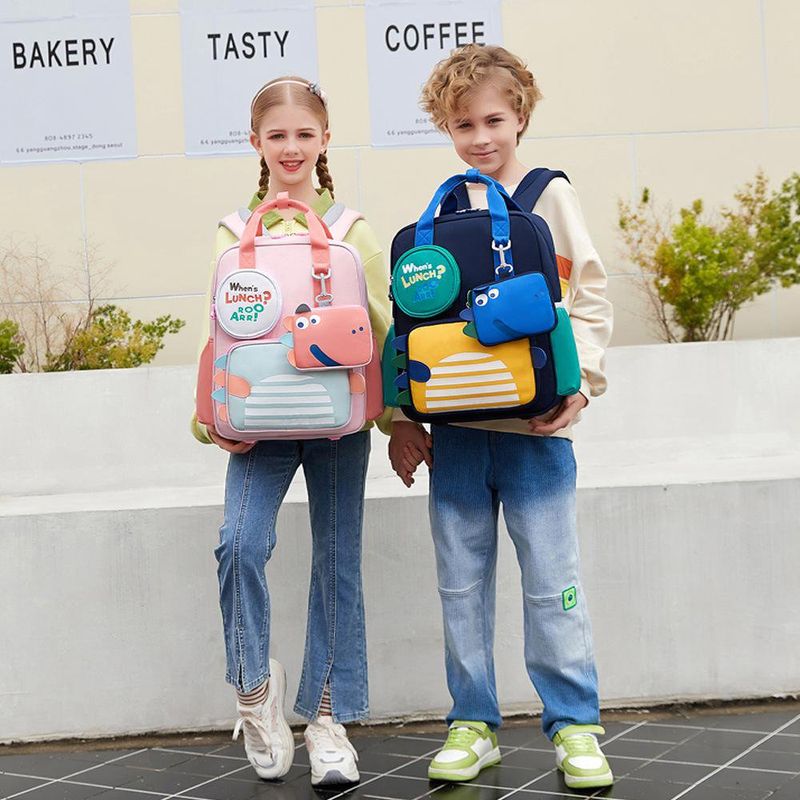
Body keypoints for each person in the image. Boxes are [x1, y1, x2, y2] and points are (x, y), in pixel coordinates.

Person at [388, 45, 615, 791]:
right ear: (444, 128)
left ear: (521, 116)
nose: (481, 137)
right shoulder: (445, 212)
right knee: (460, 585)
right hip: (456, 437)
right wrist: (402, 418)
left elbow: (588, 298)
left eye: (493, 120)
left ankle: (575, 726)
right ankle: (473, 723)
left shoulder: (549, 197)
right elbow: (412, 327)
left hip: (536, 435)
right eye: (463, 124)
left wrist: (581, 385)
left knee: (553, 582)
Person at [191, 76, 392, 787]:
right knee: (239, 543)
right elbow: (218, 334)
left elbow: (382, 333)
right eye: (277, 136)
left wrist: (398, 422)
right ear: (256, 144)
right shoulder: (231, 234)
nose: (292, 148)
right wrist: (208, 417)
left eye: (305, 134)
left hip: (339, 424)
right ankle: (254, 693)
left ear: (325, 140)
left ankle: (328, 721)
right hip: (257, 421)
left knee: (337, 564)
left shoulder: (350, 231)